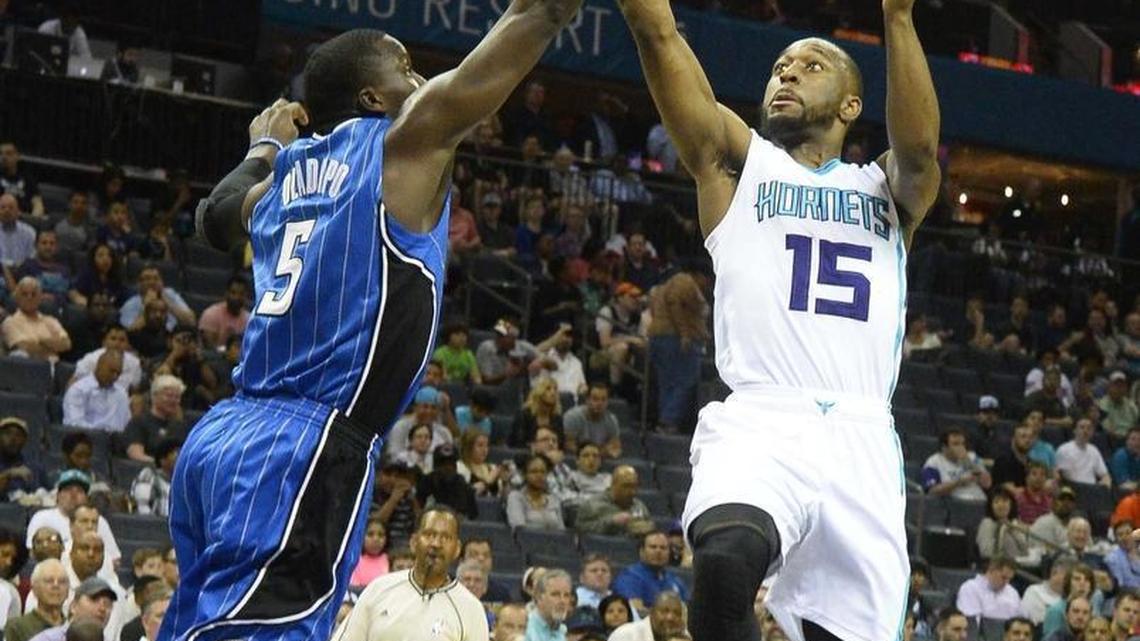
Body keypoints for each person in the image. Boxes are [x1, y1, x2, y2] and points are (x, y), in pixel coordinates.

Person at [332, 508, 489, 641]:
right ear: (414, 542)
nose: (436, 544)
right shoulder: (379, 589)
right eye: (429, 534)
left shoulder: (471, 609)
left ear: (456, 549)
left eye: (445, 538)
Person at [612, 532, 689, 616]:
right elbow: (636, 611)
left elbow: (687, 610)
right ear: (642, 551)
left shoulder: (675, 580)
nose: (658, 551)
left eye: (663, 548)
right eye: (653, 547)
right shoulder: (629, 577)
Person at [25, 577, 118, 641]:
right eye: (94, 599)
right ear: (73, 606)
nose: (102, 609)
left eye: (108, 604)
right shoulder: (47, 639)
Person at [2, 277, 71, 360]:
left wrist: (40, 341)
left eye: (34, 294)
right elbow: (24, 346)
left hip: (52, 368)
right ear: (17, 298)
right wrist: (51, 344)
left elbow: (66, 344)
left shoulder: (51, 321)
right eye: (24, 294)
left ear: (40, 298)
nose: (29, 297)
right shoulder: (9, 322)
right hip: (25, 369)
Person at [62, 350, 130, 432]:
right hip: (88, 439)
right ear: (99, 366)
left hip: (118, 440)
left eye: (118, 373)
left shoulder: (121, 393)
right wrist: (102, 432)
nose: (115, 376)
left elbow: (126, 423)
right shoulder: (79, 390)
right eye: (112, 371)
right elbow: (73, 423)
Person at [574, 465, 652, 537]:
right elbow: (580, 529)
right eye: (626, 486)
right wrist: (611, 522)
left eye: (634, 486)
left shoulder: (639, 506)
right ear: (613, 485)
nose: (632, 492)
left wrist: (644, 528)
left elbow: (650, 527)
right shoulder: (592, 505)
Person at [922, 428, 991, 501]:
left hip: (980, 501)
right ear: (944, 447)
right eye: (956, 444)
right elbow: (932, 492)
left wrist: (968, 463)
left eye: (963, 444)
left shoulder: (972, 457)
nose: (961, 447)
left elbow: (987, 484)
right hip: (956, 504)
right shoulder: (933, 462)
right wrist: (959, 482)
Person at [5, 560, 67, 641]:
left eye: (62, 581)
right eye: (49, 581)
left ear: (68, 590)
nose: (56, 585)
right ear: (34, 589)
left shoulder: (74, 627)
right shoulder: (17, 627)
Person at [505, 454, 565, 531]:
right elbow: (519, 530)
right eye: (534, 471)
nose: (539, 475)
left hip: (555, 542)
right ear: (524, 474)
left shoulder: (554, 500)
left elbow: (562, 531)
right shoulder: (516, 497)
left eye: (543, 472)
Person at [562, 383, 621, 457]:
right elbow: (568, 445)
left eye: (603, 400)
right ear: (587, 400)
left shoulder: (611, 420)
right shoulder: (572, 417)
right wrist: (592, 454)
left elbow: (615, 447)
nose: (599, 403)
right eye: (595, 399)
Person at [955, 556, 1021, 621]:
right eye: (1003, 577)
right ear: (991, 570)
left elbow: (1018, 621)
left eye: (1009, 579)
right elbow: (972, 622)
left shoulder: (1012, 592)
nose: (1006, 582)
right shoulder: (970, 588)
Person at [196, 277, 250, 350]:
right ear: (226, 293)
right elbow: (209, 348)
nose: (237, 297)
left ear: (246, 296)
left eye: (241, 294)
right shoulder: (211, 314)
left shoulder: (249, 319)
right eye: (233, 293)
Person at [607, 591, 687, 641]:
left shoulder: (682, 636)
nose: (670, 617)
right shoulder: (627, 634)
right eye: (664, 611)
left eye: (677, 613)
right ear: (651, 612)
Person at [129, 439, 179, 517]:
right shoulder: (148, 475)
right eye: (175, 454)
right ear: (163, 459)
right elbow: (142, 508)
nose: (180, 458)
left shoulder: (183, 481)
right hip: (151, 526)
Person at [976, 490, 1031, 561]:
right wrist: (1001, 531)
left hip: (1018, 565)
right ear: (991, 506)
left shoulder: (1014, 522)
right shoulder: (987, 523)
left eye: (1005, 501)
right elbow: (986, 553)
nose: (1001, 505)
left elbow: (1025, 552)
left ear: (1011, 504)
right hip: (999, 567)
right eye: (996, 501)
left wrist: (1013, 532)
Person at [1057, 418, 1112, 486]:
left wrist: (1105, 482)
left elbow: (1105, 474)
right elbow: (1067, 477)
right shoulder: (1064, 449)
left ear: (1092, 432)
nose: (1085, 431)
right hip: (1074, 488)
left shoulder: (1094, 450)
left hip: (1092, 489)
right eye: (1082, 427)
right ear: (1075, 430)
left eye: (1089, 428)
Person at [1020, 557, 1073, 625]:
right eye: (1068, 577)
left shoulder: (1072, 598)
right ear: (1054, 573)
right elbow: (1038, 622)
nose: (1071, 582)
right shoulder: (1035, 592)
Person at [525, 569, 573, 641]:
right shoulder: (525, 628)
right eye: (555, 594)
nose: (562, 601)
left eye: (566, 595)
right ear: (539, 597)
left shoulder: (564, 631)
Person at [348, 517, 389, 589]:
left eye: (381, 535)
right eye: (370, 534)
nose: (376, 539)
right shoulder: (354, 561)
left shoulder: (389, 560)